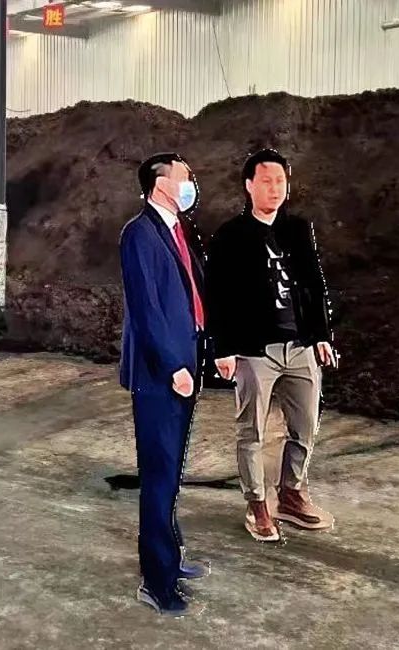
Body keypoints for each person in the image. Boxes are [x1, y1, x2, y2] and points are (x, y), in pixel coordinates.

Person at [205, 148, 338, 543]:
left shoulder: (298, 228)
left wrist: (321, 335)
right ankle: (258, 505)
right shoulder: (230, 235)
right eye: (266, 181)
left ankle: (292, 495)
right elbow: (217, 295)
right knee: (252, 431)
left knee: (305, 426)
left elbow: (314, 284)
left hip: (300, 346)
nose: (275, 188)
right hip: (253, 350)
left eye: (280, 181)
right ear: (249, 186)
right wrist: (222, 348)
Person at [119, 152, 210, 616]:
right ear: (160, 185)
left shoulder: (177, 229)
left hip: (186, 364)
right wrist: (173, 364)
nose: (192, 183)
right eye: (185, 177)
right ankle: (156, 582)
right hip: (161, 374)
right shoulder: (139, 234)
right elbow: (146, 308)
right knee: (158, 476)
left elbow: (193, 295)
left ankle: (170, 560)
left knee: (171, 472)